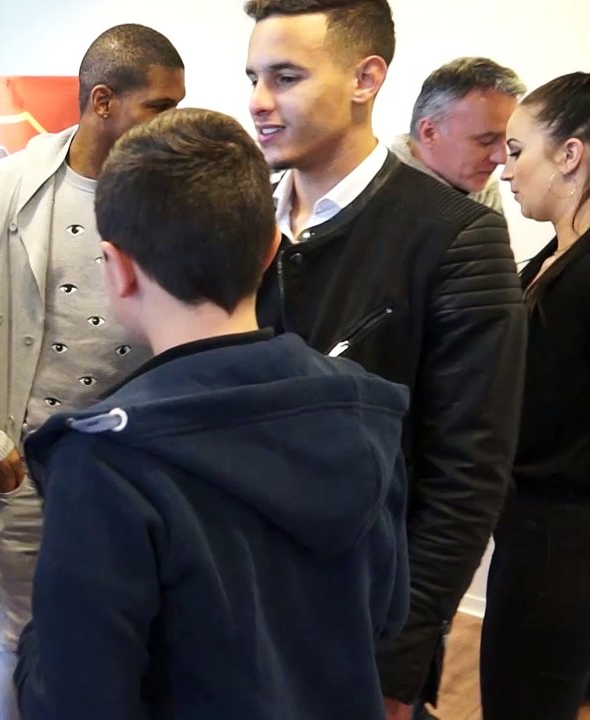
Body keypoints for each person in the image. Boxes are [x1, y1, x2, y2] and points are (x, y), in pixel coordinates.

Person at [14, 107, 410, 720]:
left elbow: (74, 697)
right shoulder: (361, 407)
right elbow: (385, 614)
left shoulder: (106, 461)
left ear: (116, 268)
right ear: (271, 250)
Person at [243, 2, 527, 718]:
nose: (258, 102)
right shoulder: (239, 223)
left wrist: (399, 664)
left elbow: (467, 473)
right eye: (252, 77)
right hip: (234, 612)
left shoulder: (457, 240)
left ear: (366, 77)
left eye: (285, 76)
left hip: (361, 633)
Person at [0, 23, 186, 720]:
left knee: (132, 637)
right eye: (159, 107)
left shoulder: (173, 200)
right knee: (20, 633)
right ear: (103, 101)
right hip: (26, 464)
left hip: (136, 473)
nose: (172, 123)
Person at [481, 72, 590, 720]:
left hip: (562, 546)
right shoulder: (554, 256)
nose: (505, 167)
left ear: (571, 154)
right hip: (533, 533)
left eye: (518, 151)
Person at [391, 57, 525, 214]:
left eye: (508, 142)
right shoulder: (375, 197)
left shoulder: (486, 195)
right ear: (429, 133)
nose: (502, 158)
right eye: (486, 141)